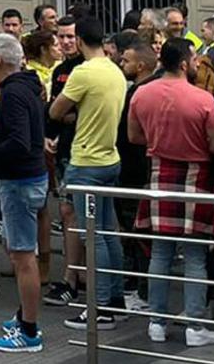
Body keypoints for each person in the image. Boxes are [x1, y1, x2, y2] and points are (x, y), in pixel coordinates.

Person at [128, 37, 214, 347]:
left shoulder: (141, 94)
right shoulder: (204, 99)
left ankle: (156, 322)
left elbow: (134, 136)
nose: (197, 64)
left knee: (160, 254)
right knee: (195, 255)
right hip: (196, 175)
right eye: (194, 60)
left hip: (158, 171)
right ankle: (195, 327)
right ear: (184, 63)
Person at [49, 19, 126, 330]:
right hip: (110, 158)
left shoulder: (82, 72)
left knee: (93, 237)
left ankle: (101, 307)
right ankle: (116, 301)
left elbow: (55, 111)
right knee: (108, 233)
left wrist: (75, 111)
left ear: (79, 41)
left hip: (86, 162)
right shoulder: (114, 70)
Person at [0, 33, 48, 353]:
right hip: (26, 178)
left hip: (20, 181)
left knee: (22, 256)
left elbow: (19, 141)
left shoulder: (13, 93)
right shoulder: (25, 85)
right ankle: (24, 316)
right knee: (19, 251)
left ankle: (29, 331)